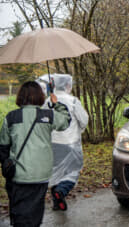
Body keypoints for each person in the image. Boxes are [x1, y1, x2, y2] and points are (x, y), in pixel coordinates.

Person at [0, 81, 70, 226]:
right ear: (40, 96)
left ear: (20, 97)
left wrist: (6, 165)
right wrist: (56, 103)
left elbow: (3, 147)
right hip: (40, 174)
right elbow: (65, 121)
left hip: (17, 175)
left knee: (18, 210)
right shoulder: (48, 115)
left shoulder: (11, 117)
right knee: (35, 211)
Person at [44, 74, 88, 211]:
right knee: (73, 171)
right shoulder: (73, 101)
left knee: (55, 171)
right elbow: (84, 120)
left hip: (52, 143)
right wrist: (79, 130)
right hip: (70, 143)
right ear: (68, 85)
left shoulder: (47, 101)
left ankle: (57, 202)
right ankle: (61, 191)